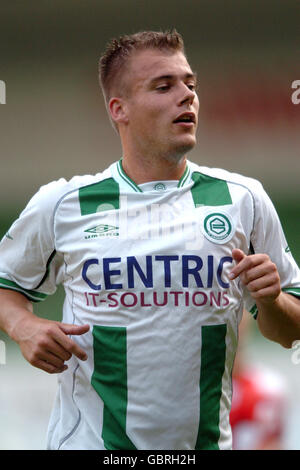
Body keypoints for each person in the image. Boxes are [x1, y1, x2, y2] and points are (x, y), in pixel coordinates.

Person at [0, 29, 300, 451]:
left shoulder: (243, 200)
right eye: (164, 86)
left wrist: (271, 301)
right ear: (118, 109)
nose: (187, 96)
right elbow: (5, 285)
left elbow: (292, 332)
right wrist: (23, 325)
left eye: (190, 84)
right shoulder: (64, 203)